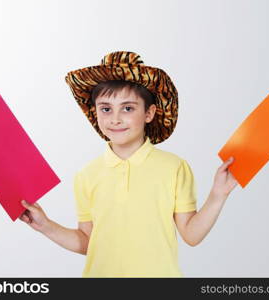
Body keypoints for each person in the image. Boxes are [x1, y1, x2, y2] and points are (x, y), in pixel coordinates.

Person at [19, 51, 238, 277]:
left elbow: (191, 235)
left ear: (149, 113)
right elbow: (88, 242)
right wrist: (45, 225)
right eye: (106, 109)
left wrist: (217, 195)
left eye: (128, 108)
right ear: (95, 113)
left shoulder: (174, 168)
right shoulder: (86, 175)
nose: (115, 119)